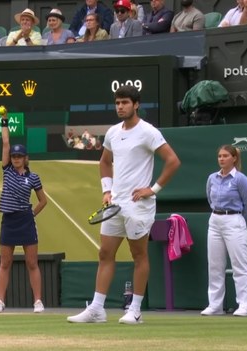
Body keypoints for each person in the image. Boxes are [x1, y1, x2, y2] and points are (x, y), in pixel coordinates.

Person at [67, 85, 181, 324]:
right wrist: (107, 190)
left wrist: (153, 189)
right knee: (105, 253)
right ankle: (97, 309)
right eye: (118, 103)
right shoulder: (112, 132)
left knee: (139, 255)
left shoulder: (148, 132)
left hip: (139, 205)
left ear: (136, 104)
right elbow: (105, 162)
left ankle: (136, 311)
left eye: (125, 103)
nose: (120, 107)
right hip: (115, 204)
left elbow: (172, 161)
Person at [0, 108, 48, 314]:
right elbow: (5, 143)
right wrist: (4, 121)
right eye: (13, 156)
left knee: (32, 262)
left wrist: (31, 214)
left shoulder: (33, 178)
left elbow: (43, 201)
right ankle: (0, 301)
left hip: (25, 220)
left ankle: (38, 301)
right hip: (8, 220)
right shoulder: (6, 169)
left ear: (25, 158)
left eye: (19, 156)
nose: (15, 158)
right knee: (5, 262)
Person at [201, 145, 247, 317]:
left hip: (234, 219)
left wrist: (239, 221)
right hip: (215, 220)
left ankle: (246, 305)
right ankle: (215, 305)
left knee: (240, 264)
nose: (221, 159)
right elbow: (210, 198)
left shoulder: (241, 179)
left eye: (225, 156)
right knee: (215, 265)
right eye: (219, 156)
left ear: (234, 158)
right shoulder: (212, 178)